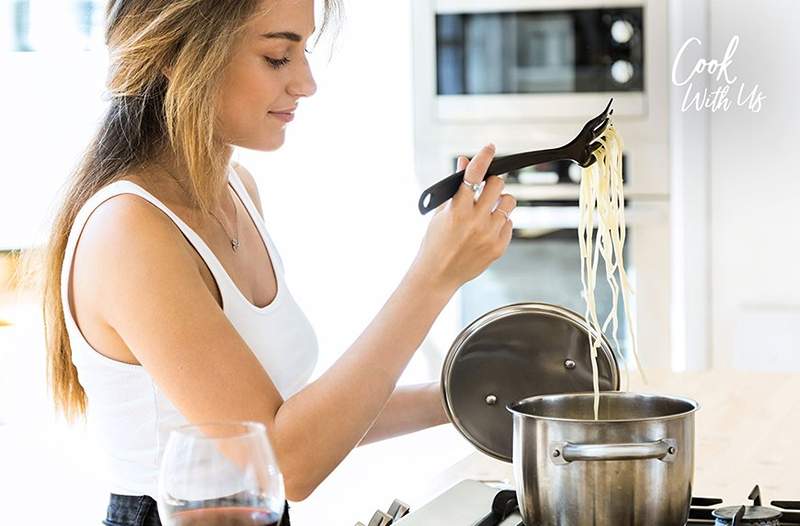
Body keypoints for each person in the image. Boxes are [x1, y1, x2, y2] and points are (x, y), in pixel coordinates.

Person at [35, 1, 516, 525]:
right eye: (278, 57)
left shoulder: (236, 190)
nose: (306, 83)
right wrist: (435, 275)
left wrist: (471, 396)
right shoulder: (128, 230)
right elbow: (285, 462)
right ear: (176, 55)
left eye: (302, 52)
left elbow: (292, 420)